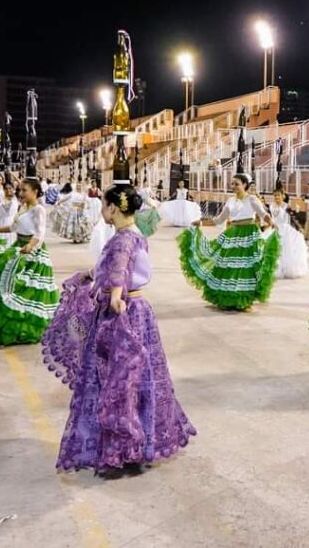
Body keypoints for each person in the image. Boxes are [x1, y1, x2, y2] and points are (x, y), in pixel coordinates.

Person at [42, 185, 197, 476]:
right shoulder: (137, 234)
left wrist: (115, 295)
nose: (102, 211)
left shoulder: (122, 240)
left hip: (122, 315)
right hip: (139, 312)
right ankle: (137, 442)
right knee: (138, 378)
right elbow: (118, 266)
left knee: (116, 381)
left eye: (104, 205)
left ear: (114, 207)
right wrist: (90, 275)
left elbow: (120, 269)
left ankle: (121, 446)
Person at [177, 173, 280, 311]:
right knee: (229, 266)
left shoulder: (252, 199)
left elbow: (263, 214)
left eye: (236, 184)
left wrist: (271, 222)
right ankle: (229, 299)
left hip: (249, 235)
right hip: (232, 234)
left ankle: (244, 300)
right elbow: (218, 220)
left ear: (245, 185)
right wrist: (200, 222)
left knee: (246, 268)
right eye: (232, 184)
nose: (233, 187)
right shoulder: (230, 200)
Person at [0, 179, 59, 346]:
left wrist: (30, 246)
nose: (21, 193)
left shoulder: (39, 209)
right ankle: (15, 329)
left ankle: (30, 329)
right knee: (12, 287)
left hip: (33, 252)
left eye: (25, 190)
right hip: (19, 248)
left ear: (36, 191)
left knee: (29, 291)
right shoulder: (23, 207)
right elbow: (13, 228)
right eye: (20, 190)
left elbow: (40, 232)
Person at [268, 188, 309, 279]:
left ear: (283, 196)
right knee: (274, 248)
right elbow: (270, 218)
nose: (277, 197)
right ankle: (276, 268)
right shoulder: (271, 206)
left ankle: (286, 269)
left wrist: (299, 228)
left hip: (285, 231)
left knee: (285, 250)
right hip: (274, 230)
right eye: (275, 195)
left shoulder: (286, 206)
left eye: (278, 195)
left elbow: (294, 218)